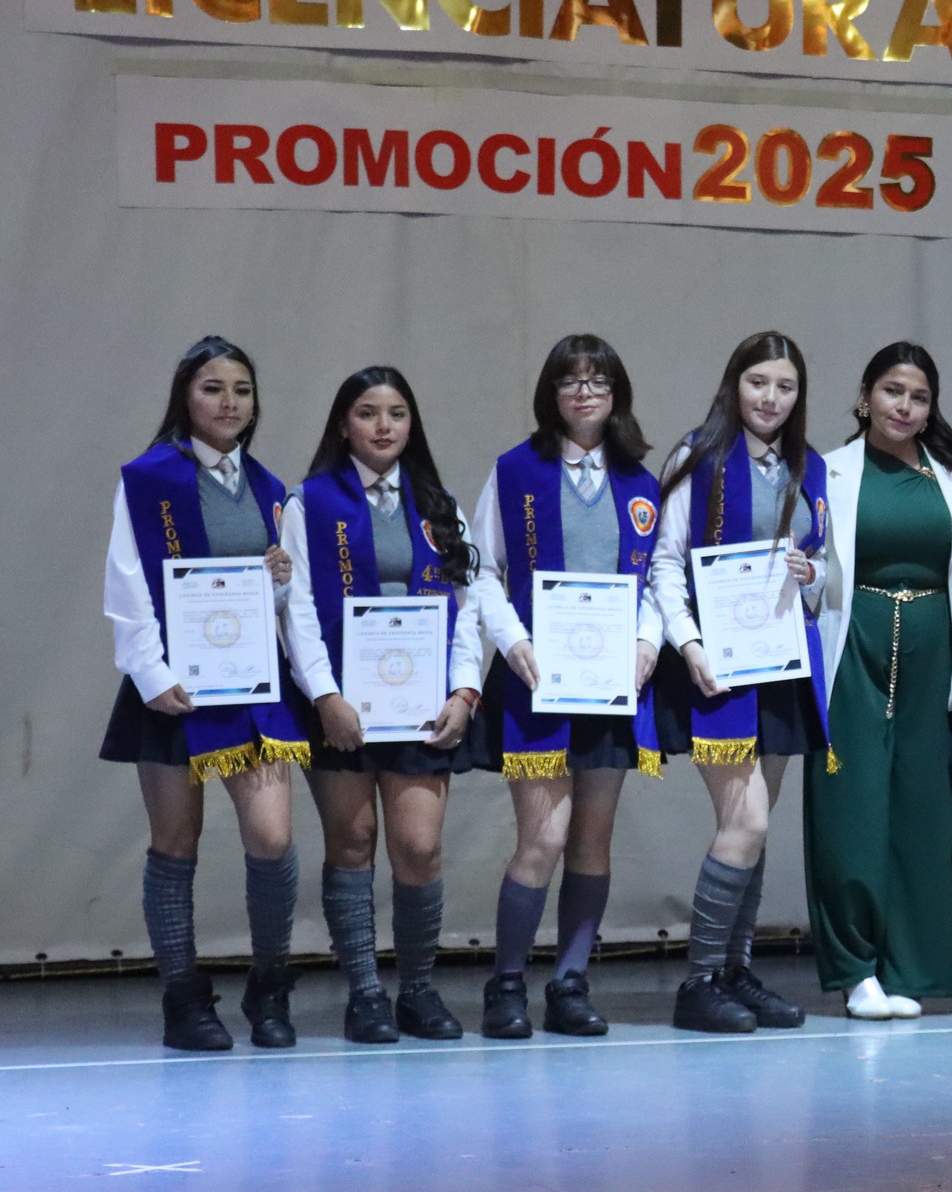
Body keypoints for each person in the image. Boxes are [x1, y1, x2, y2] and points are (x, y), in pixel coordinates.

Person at [100, 336, 308, 1050]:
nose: (229, 403)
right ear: (186, 396)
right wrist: (152, 676)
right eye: (213, 388)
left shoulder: (272, 489)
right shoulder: (148, 478)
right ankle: (184, 998)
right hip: (174, 689)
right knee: (175, 842)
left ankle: (269, 985)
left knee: (273, 837)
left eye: (242, 390)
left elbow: (282, 603)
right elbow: (127, 586)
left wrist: (278, 580)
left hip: (251, 684)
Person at [467, 335, 664, 1039]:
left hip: (612, 683)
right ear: (550, 393)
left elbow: (658, 578)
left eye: (598, 380)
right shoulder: (514, 471)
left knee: (592, 838)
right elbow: (480, 568)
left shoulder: (641, 482)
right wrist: (512, 639)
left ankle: (571, 981)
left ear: (617, 393)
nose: (584, 392)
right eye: (570, 381)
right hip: (537, 680)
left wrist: (648, 639)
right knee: (541, 838)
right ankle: (508, 982)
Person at [279, 367, 483, 1043]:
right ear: (343, 423)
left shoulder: (438, 501)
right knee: (354, 840)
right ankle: (365, 991)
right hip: (341, 704)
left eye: (397, 412)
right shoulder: (310, 502)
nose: (384, 425)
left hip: (421, 704)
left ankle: (418, 988)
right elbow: (297, 609)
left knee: (419, 846)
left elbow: (466, 606)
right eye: (368, 412)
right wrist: (325, 694)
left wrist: (465, 689)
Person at [649, 332, 829, 1033]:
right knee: (744, 819)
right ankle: (697, 981)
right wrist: (688, 643)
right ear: (734, 384)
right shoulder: (698, 454)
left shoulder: (807, 465)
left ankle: (734, 969)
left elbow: (825, 561)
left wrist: (815, 577)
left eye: (785, 386)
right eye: (759, 382)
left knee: (754, 828)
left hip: (782, 663)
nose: (771, 398)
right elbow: (664, 563)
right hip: (716, 670)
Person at [806, 341, 952, 1020]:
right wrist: (808, 577)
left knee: (928, 813)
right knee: (852, 804)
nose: (905, 405)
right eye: (893, 391)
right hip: (856, 650)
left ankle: (915, 966)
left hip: (934, 655)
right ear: (866, 394)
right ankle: (855, 967)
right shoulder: (829, 470)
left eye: (920, 396)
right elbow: (811, 561)